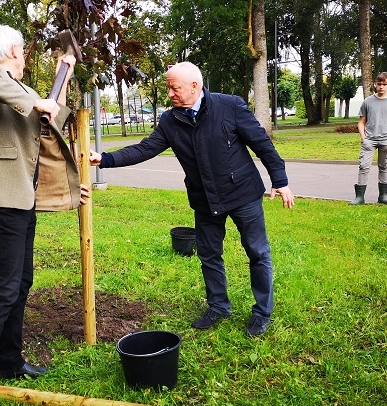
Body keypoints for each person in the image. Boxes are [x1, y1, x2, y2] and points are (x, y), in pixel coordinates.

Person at [89, 61, 295, 338]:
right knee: (209, 254)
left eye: (175, 88)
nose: (170, 94)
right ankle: (218, 306)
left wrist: (280, 180)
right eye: (169, 88)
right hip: (205, 198)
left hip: (242, 193)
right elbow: (146, 149)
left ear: (195, 86)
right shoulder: (170, 120)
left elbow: (262, 144)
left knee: (257, 252)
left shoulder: (229, 106)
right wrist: (106, 159)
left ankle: (262, 313)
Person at [0, 24, 85, 406]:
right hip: (1, 200)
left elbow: (51, 113)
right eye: (23, 52)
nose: (26, 58)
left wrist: (64, 74)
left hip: (22, 200)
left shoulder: (20, 93)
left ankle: (10, 361)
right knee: (3, 290)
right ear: (11, 50)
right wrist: (40, 100)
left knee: (20, 283)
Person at [349, 72, 387, 206]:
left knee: (384, 166)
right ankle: (359, 197)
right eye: (379, 84)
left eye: (384, 84)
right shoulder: (368, 101)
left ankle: (383, 196)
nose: (381, 87)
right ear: (375, 84)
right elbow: (361, 121)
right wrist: (364, 138)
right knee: (363, 166)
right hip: (370, 139)